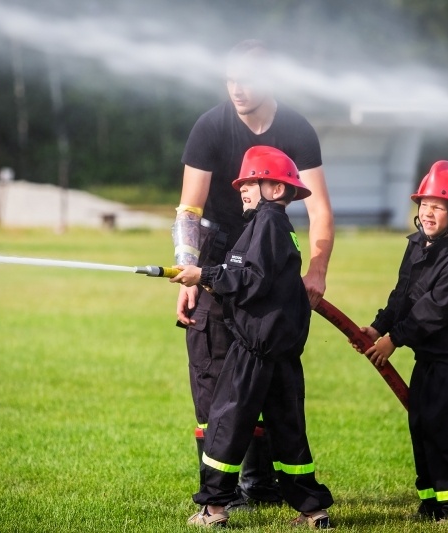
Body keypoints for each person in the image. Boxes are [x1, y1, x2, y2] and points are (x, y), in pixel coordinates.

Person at [173, 39, 334, 506]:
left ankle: (259, 486)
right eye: (230, 79)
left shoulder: (297, 129)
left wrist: (317, 271)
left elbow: (320, 210)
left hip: (268, 254)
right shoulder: (210, 126)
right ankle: (222, 488)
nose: (237, 90)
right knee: (212, 373)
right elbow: (189, 209)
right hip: (215, 254)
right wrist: (190, 271)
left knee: (264, 369)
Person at [356, 160, 448, 521]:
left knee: (447, 429)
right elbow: (403, 295)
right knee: (424, 425)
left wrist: (394, 339)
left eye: (437, 206)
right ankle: (432, 501)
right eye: (424, 204)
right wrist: (377, 327)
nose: (427, 213)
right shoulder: (417, 246)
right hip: (428, 357)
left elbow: (432, 311)